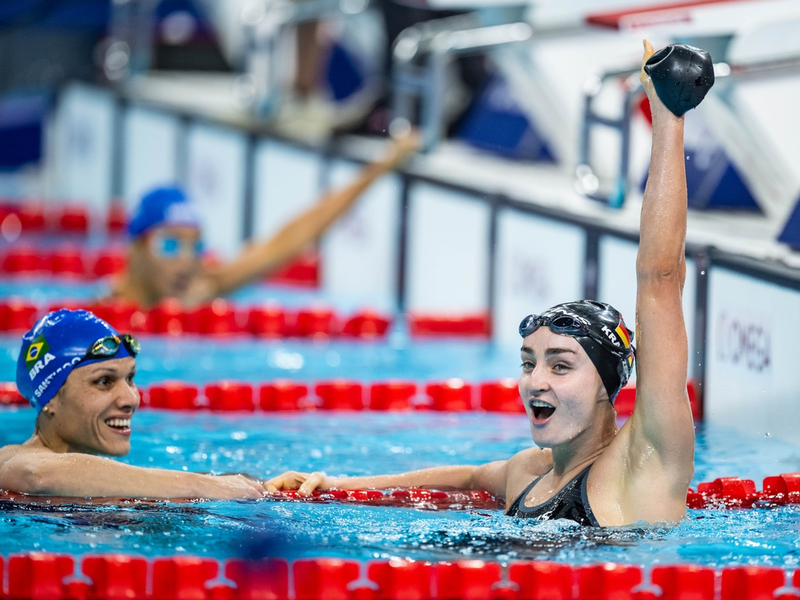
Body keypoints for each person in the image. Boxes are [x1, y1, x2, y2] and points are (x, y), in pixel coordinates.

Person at [264, 40, 697, 527]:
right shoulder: (528, 471)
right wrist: (338, 485)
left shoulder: (644, 463)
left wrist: (667, 118)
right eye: (530, 363)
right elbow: (469, 478)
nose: (535, 381)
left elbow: (660, 278)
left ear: (605, 383)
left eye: (560, 366)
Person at [109, 132, 418, 308]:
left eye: (196, 246)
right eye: (171, 244)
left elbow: (290, 239)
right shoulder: (100, 318)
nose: (187, 261)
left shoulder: (202, 288)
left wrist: (383, 166)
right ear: (136, 247)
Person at [0, 309, 267, 499]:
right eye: (104, 381)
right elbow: (37, 475)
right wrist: (197, 485)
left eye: (130, 378)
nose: (131, 398)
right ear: (52, 398)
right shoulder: (12, 460)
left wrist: (266, 488)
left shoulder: (123, 480)